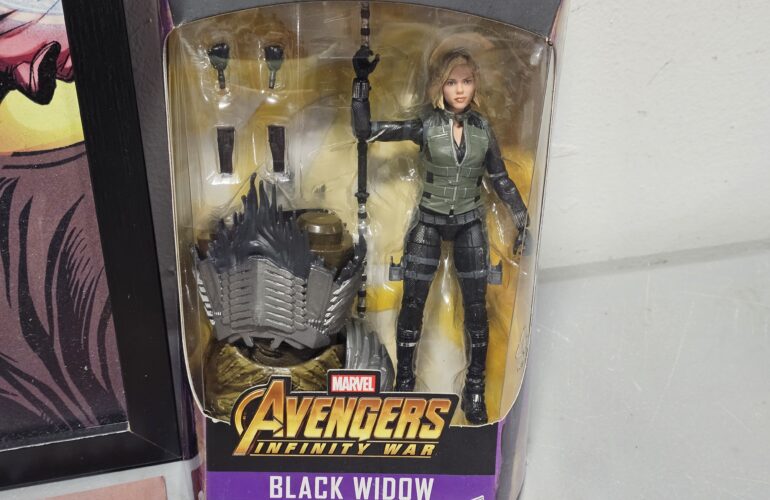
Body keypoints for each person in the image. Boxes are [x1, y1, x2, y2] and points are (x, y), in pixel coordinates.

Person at [352, 47, 528, 424]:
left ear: (476, 84)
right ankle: (404, 383)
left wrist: (521, 218)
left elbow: (500, 178)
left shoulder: (482, 129)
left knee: (476, 311)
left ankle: (475, 389)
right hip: (429, 221)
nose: (460, 90)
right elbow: (366, 131)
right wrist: (361, 85)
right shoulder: (426, 125)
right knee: (412, 305)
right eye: (452, 82)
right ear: (439, 86)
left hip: (470, 222)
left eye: (467, 81)